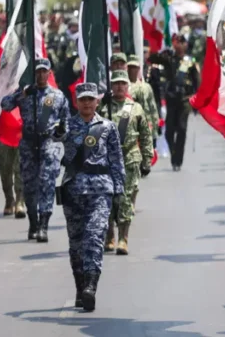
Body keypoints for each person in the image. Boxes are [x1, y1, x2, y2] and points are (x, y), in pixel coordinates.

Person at [54, 82, 126, 312]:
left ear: (97, 101)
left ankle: (91, 287)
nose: (86, 103)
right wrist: (56, 132)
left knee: (94, 238)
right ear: (76, 101)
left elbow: (116, 159)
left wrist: (119, 189)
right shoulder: (67, 125)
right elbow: (53, 140)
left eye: (90, 99)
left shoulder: (108, 127)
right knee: (76, 244)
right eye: (82, 99)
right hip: (73, 190)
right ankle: (79, 286)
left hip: (100, 190)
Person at [1, 57, 70, 242]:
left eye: (44, 71)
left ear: (49, 73)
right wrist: (22, 94)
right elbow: (5, 105)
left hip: (49, 143)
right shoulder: (26, 93)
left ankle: (43, 226)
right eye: (38, 71)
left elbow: (67, 122)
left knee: (47, 183)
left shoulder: (57, 96)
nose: (40, 74)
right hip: (29, 144)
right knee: (29, 186)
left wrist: (62, 133)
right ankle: (33, 222)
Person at [102, 69, 153, 254]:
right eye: (115, 83)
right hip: (107, 160)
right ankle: (109, 236)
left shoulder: (136, 108)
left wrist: (147, 159)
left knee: (125, 200)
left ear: (127, 86)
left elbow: (146, 136)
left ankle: (123, 239)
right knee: (108, 200)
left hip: (130, 159)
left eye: (123, 83)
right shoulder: (103, 107)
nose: (119, 86)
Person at [155, 31, 199, 171]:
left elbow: (196, 81)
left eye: (181, 42)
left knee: (181, 129)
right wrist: (163, 53)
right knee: (169, 131)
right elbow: (152, 60)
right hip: (171, 98)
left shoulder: (190, 62)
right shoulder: (168, 58)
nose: (179, 44)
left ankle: (177, 160)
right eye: (176, 42)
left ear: (185, 44)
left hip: (185, 99)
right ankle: (173, 152)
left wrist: (197, 101)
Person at [127, 54, 158, 134]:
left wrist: (155, 130)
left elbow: (153, 108)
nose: (131, 70)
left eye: (134, 67)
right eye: (129, 67)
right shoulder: (124, 87)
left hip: (147, 127)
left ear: (138, 68)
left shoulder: (146, 87)